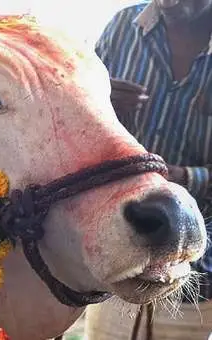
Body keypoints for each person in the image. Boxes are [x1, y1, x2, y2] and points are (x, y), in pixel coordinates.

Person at [85, 0, 212, 338]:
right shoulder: (123, 26)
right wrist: (101, 102)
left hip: (193, 282)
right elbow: (77, 120)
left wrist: (184, 177)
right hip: (116, 265)